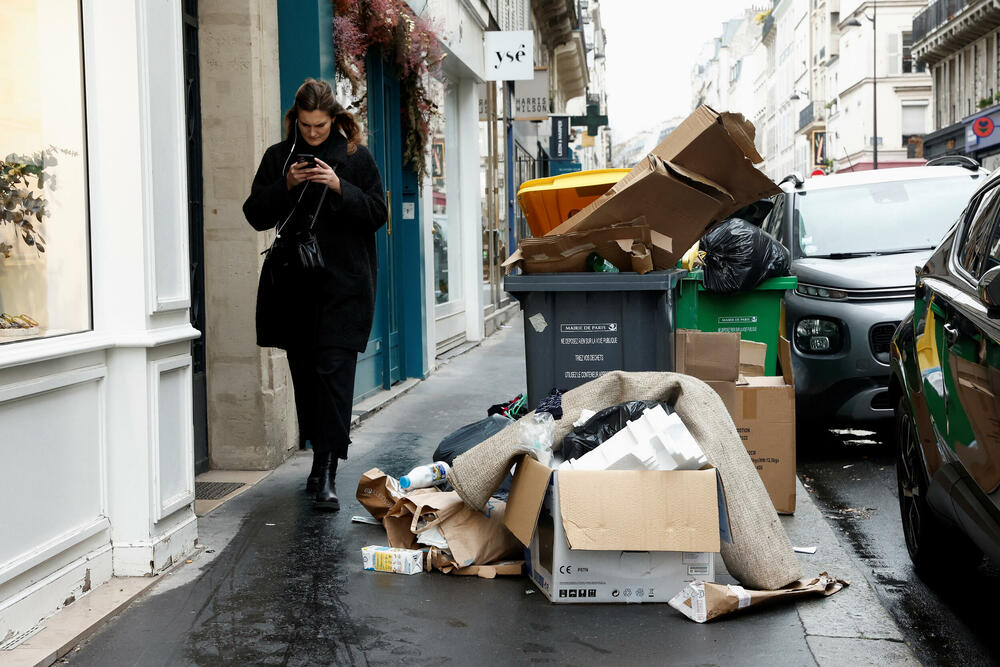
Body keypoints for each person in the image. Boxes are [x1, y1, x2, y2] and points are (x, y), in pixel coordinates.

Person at [243, 78, 387, 511]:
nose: (312, 133)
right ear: (296, 119)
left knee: (334, 378)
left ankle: (327, 471)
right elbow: (254, 214)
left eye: (320, 126)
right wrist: (285, 185)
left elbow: (377, 213)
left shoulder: (355, 157)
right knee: (307, 380)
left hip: (345, 287)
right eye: (305, 125)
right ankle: (318, 457)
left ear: (334, 119)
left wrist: (340, 186)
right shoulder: (279, 157)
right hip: (296, 288)